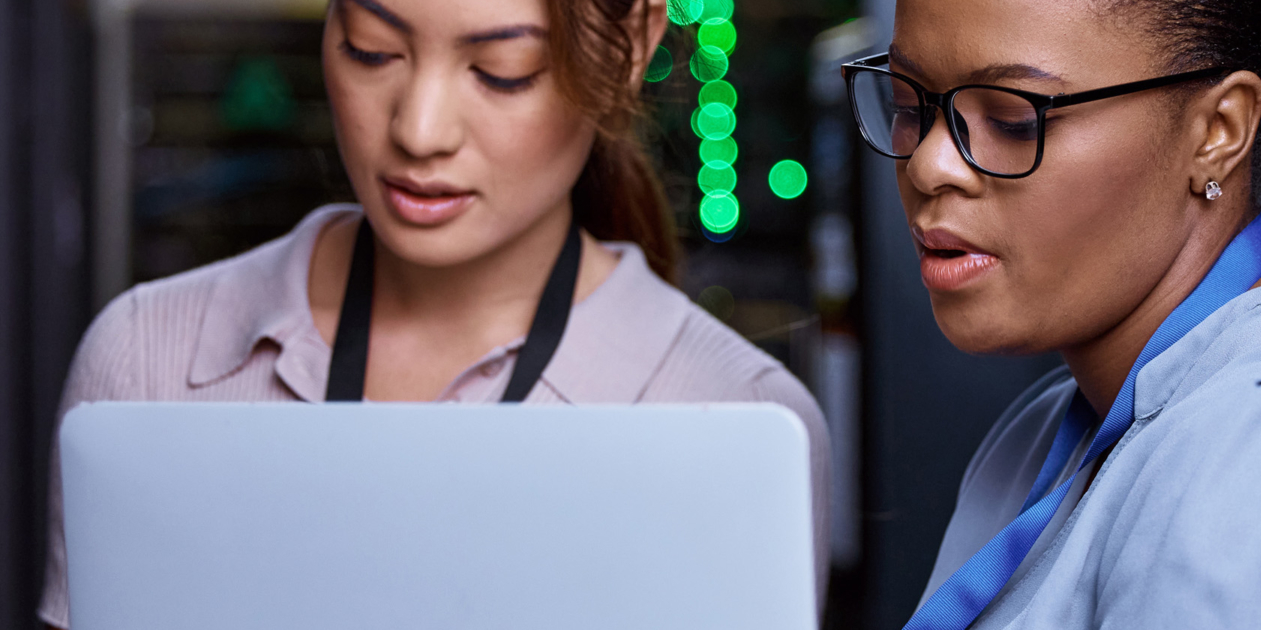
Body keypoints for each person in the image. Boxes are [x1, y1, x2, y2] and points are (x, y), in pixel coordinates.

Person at [39, 0, 830, 626]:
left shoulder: (738, 421)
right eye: (372, 49)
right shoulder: (149, 358)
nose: (419, 130)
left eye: (502, 70)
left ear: (631, 46)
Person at [843, 0, 1261, 627]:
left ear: (1219, 130)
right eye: (909, 103)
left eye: (1015, 118)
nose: (929, 164)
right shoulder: (1046, 432)